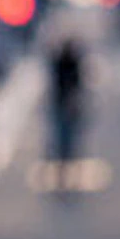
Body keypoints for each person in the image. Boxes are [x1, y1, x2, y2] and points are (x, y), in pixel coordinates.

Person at [49, 39, 85, 182]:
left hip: (64, 104)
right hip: (63, 104)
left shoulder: (64, 63)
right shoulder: (65, 63)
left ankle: (66, 162)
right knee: (65, 136)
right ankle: (65, 162)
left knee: (65, 136)